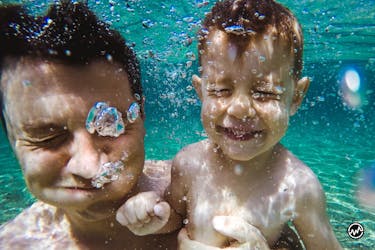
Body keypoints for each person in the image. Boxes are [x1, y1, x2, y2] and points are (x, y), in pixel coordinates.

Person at [117, 0, 343, 249]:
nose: (239, 109)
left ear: (296, 98)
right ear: (201, 92)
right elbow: (178, 217)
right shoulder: (188, 163)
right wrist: (156, 216)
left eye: (264, 92)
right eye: (221, 90)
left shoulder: (299, 187)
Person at [0, 1, 180, 248]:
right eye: (47, 137)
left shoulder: (211, 193)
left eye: (110, 124)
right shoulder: (14, 243)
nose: (89, 168)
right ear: (11, 137)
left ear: (141, 116)